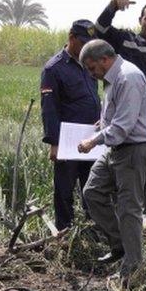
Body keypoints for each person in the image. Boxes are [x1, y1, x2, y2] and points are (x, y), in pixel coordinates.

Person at [77, 40, 146, 278]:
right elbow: (115, 118)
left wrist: (93, 140)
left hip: (134, 149)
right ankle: (120, 245)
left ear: (104, 59)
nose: (92, 74)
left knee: (128, 208)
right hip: (117, 148)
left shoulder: (127, 77)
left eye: (92, 68)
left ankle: (132, 269)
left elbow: (123, 126)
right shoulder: (112, 80)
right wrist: (101, 125)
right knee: (92, 191)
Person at [94, 0, 146, 218]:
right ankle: (121, 211)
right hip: (124, 112)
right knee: (122, 159)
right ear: (140, 19)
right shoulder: (125, 40)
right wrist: (112, 7)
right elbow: (99, 29)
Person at [40, 20, 101, 230]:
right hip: (67, 139)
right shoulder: (54, 68)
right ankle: (65, 232)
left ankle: (92, 229)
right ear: (71, 37)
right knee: (64, 189)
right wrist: (54, 143)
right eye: (83, 41)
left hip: (91, 138)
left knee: (91, 187)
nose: (86, 47)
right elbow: (49, 108)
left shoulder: (88, 65)